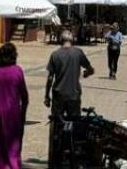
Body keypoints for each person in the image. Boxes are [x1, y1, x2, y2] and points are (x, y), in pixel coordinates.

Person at [45, 29, 95, 168]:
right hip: (74, 95)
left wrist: (46, 96)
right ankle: (74, 154)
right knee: (75, 125)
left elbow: (50, 77)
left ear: (60, 40)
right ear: (72, 40)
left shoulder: (55, 55)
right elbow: (91, 69)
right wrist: (86, 73)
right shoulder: (78, 53)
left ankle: (56, 157)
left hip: (58, 95)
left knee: (57, 126)